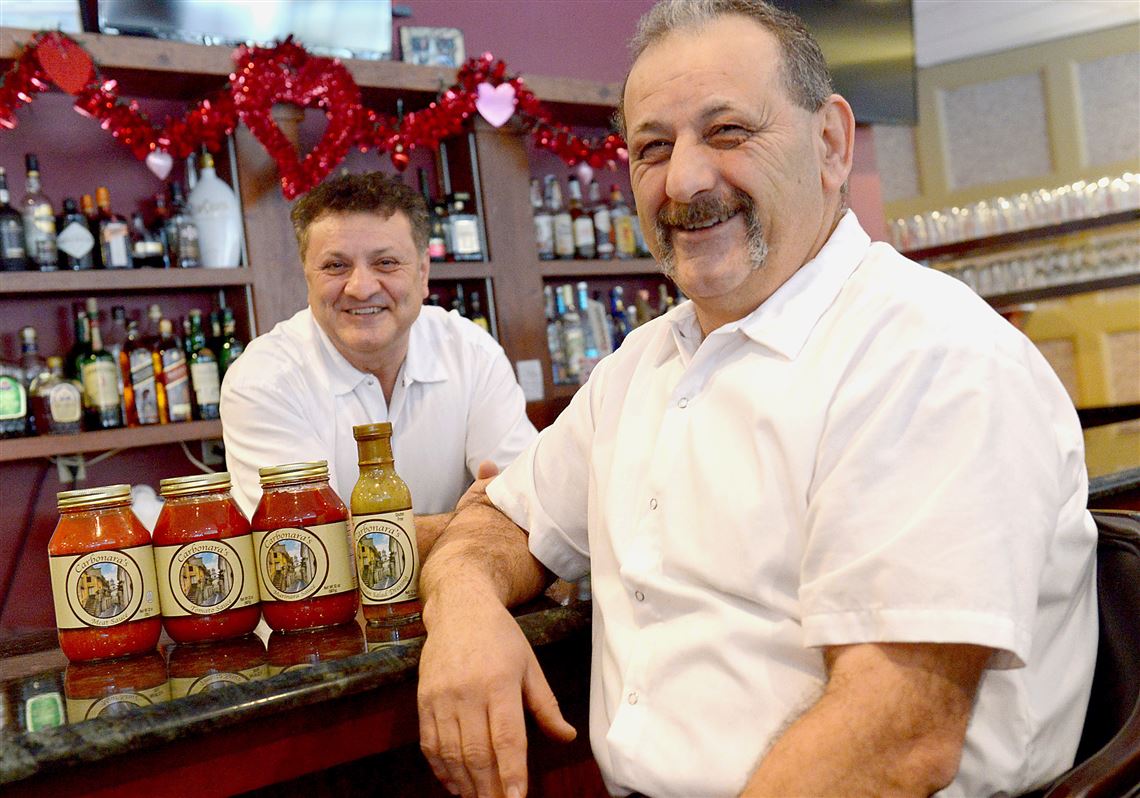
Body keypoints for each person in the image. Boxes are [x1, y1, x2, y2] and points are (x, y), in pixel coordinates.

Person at [414, 2, 1098, 797]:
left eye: (728, 131)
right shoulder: (642, 364)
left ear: (831, 143)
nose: (684, 180)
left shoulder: (929, 356)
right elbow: (505, 518)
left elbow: (896, 744)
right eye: (653, 147)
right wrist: (463, 606)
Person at [221, 172, 536, 551]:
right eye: (335, 266)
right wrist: (475, 522)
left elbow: (530, 508)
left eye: (386, 263)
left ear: (423, 273)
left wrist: (358, 533)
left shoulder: (471, 351)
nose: (361, 287)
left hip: (464, 576)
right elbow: (307, 551)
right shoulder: (262, 380)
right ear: (307, 278)